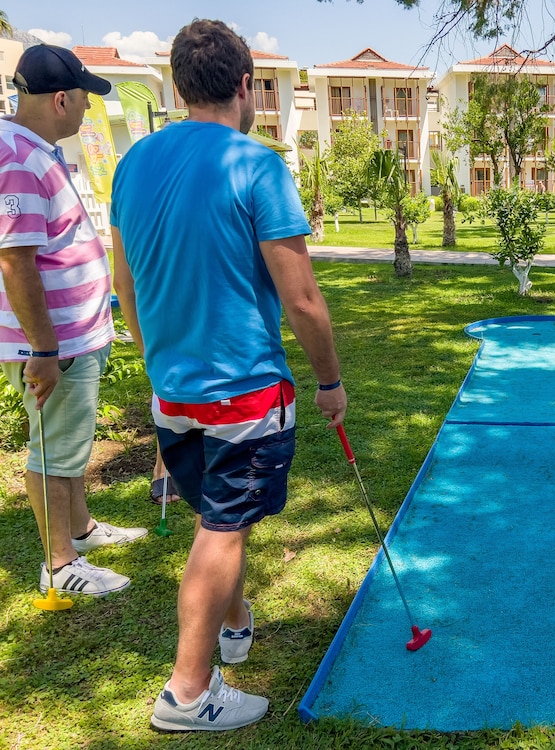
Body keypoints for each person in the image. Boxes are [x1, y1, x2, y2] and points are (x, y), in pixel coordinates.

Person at [111, 20, 347, 733]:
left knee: (219, 516)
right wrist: (330, 381)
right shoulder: (257, 164)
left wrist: (156, 364)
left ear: (180, 85)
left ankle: (235, 618)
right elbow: (302, 299)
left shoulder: (133, 163)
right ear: (245, 86)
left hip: (173, 393)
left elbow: (126, 285)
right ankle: (187, 693)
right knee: (221, 529)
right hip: (243, 393)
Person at [0, 45, 147, 598]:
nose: (89, 108)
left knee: (69, 442)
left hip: (72, 337)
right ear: (61, 100)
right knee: (53, 452)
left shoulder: (36, 150)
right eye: (85, 98)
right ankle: (60, 564)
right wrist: (43, 348)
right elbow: (15, 261)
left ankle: (80, 530)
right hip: (52, 344)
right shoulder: (17, 156)